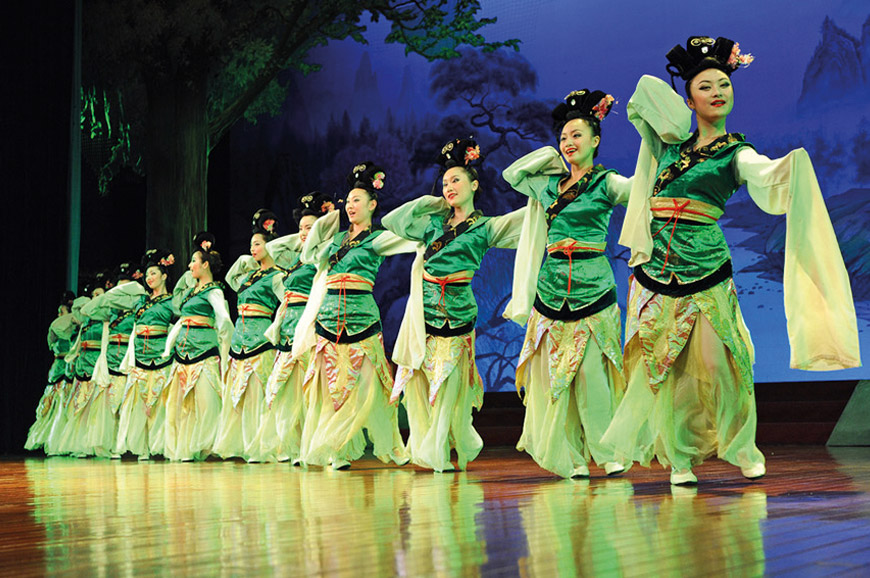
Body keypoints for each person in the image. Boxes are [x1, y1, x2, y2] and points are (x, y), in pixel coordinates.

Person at [601, 36, 860, 485]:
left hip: (703, 266)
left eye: (724, 83)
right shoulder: (666, 147)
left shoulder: (735, 152)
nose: (718, 91)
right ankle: (680, 458)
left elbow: (762, 172)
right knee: (662, 364)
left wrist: (787, 167)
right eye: (705, 86)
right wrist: (688, 87)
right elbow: (644, 92)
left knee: (720, 362)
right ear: (688, 99)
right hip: (653, 270)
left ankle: (742, 446)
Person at [502, 90, 632, 478]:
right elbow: (512, 175)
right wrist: (548, 156)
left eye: (577, 135)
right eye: (564, 137)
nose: (569, 143)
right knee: (552, 378)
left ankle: (606, 452)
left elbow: (639, 194)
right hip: (551, 288)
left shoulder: (607, 183)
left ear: (595, 140)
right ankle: (568, 456)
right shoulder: (547, 187)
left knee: (592, 375)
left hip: (592, 286)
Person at [382, 137, 525, 472]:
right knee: (417, 385)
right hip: (422, 316)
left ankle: (440, 452)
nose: (449, 187)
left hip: (458, 314)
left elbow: (526, 222)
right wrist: (430, 203)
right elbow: (393, 222)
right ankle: (438, 444)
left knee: (448, 386)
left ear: (474, 184)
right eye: (445, 182)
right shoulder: (433, 224)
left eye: (456, 180)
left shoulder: (486, 227)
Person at [295, 162, 416, 469]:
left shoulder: (378, 238)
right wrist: (328, 219)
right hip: (328, 320)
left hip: (362, 318)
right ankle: (336, 452)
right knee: (328, 389)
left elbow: (411, 239)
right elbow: (308, 255)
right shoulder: (334, 242)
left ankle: (390, 446)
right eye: (347, 201)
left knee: (371, 388)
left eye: (357, 200)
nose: (350, 206)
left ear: (372, 204)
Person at [250, 193, 333, 463]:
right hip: (288, 326)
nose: (303, 233)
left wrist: (318, 232)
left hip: (311, 324)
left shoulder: (326, 254)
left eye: (310, 227)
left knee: (315, 389)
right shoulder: (294, 259)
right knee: (286, 390)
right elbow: (273, 249)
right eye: (300, 228)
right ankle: (293, 445)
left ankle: (325, 446)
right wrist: (301, 236)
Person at [213, 210, 286, 461]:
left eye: (257, 244)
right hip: (239, 342)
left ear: (270, 245)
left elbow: (287, 303)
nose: (252, 249)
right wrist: (245, 259)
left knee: (259, 395)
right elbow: (230, 279)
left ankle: (262, 446)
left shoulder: (276, 275)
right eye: (250, 245)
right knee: (240, 397)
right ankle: (247, 445)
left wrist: (276, 329)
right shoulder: (249, 277)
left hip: (260, 340)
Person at [163, 233, 233, 461]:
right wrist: (168, 346)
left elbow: (223, 319)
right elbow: (181, 321)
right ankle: (185, 447)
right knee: (179, 404)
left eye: (194, 261)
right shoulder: (191, 292)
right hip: (182, 353)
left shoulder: (213, 290)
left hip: (203, 352)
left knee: (207, 403)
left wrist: (226, 347)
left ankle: (208, 446)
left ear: (205, 265)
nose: (190, 265)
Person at [114, 249, 177, 458]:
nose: (149, 278)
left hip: (161, 356)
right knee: (135, 403)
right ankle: (138, 447)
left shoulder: (172, 302)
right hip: (140, 356)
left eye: (154, 274)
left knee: (161, 402)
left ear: (165, 275)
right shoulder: (141, 301)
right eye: (147, 274)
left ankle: (160, 446)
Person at [54, 276, 109, 456]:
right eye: (93, 295)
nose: (95, 298)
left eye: (99, 294)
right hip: (83, 363)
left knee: (96, 404)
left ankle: (97, 442)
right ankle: (82, 443)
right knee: (80, 404)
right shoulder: (86, 321)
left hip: (98, 362)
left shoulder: (107, 318)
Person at [25, 291, 78, 452]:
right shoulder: (57, 328)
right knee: (54, 402)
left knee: (66, 402)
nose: (59, 315)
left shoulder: (74, 329)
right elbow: (51, 344)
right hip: (58, 367)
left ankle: (66, 440)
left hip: (68, 366)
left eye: (61, 312)